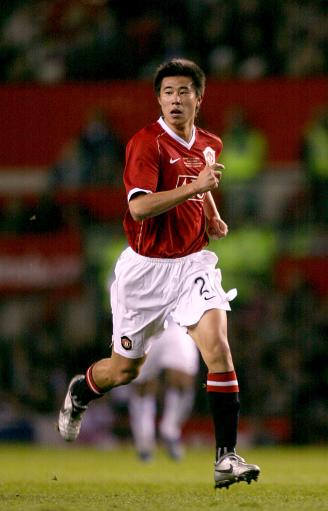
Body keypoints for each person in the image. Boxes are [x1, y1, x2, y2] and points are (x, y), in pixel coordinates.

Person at [58, 58, 260, 489]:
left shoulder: (210, 142)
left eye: (183, 91)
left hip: (191, 265)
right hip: (145, 273)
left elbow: (200, 182)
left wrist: (211, 214)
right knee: (123, 372)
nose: (175, 99)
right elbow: (139, 207)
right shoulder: (145, 144)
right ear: (159, 99)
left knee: (219, 348)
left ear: (198, 99)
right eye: (167, 92)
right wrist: (196, 190)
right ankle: (81, 392)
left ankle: (226, 458)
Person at [128, 316, 199, 462]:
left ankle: (170, 430)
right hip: (144, 323)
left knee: (183, 380)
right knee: (142, 385)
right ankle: (144, 440)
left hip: (175, 323)